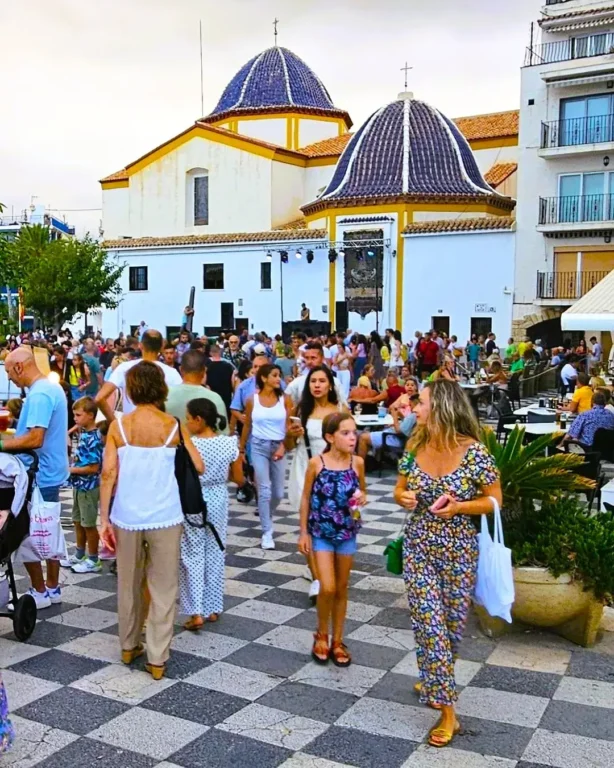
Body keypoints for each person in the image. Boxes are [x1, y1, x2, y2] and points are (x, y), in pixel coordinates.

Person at [394, 380, 501, 747]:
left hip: (460, 549)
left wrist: (460, 507)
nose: (414, 408)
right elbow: (399, 488)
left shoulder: (474, 453)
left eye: (419, 402)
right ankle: (448, 712)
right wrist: (404, 497)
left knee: (451, 629)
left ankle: (434, 676)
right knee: (431, 626)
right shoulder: (414, 446)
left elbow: (494, 501)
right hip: (420, 545)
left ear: (439, 407)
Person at [99, 362, 204, 680]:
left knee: (128, 583)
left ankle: (129, 645)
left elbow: (108, 474)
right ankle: (157, 658)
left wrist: (103, 518)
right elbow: (198, 466)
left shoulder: (118, 426)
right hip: (166, 515)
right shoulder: (173, 425)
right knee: (163, 586)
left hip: (127, 514)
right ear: (161, 388)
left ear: (130, 389)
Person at [2, 347, 69, 609]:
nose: (9, 378)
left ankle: (40, 590)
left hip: (39, 473)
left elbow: (35, 438)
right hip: (49, 471)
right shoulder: (49, 390)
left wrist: (2, 445)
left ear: (19, 367)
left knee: (26, 531)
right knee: (48, 527)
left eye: (8, 371)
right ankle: (52, 588)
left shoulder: (40, 394)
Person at [298, 413, 366, 667]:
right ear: (329, 437)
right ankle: (321, 633)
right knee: (326, 586)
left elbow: (363, 490)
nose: (352, 437)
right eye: (345, 433)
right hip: (321, 534)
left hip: (347, 532)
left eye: (354, 432)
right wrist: (303, 531)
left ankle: (338, 639)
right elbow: (306, 498)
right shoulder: (317, 463)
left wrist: (362, 498)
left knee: (341, 587)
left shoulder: (356, 463)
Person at [180, 399, 243, 630]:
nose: (186, 422)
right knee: (216, 549)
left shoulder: (189, 445)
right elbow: (238, 478)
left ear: (198, 419)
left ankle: (195, 610)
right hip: (218, 497)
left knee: (192, 552)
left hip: (193, 498)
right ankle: (213, 607)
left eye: (188, 418)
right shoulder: (229, 444)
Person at [287, 366, 344, 603]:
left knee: (330, 528)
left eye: (321, 381)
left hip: (333, 475)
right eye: (313, 381)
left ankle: (329, 574)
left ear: (330, 384)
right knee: (309, 527)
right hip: (305, 469)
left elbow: (350, 443)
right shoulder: (301, 410)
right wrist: (292, 434)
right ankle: (317, 578)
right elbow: (290, 445)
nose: (317, 385)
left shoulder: (340, 411)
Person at [240, 364, 292, 550]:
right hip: (259, 445)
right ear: (263, 378)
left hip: (278, 446)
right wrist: (241, 449)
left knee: (278, 492)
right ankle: (267, 531)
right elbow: (247, 425)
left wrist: (284, 445)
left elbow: (289, 426)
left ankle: (266, 514)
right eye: (275, 375)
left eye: (279, 375)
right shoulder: (252, 400)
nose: (279, 379)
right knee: (264, 489)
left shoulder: (285, 399)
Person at [95, 330, 182, 422]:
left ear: (140, 345)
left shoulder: (125, 368)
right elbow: (181, 402)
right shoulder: (172, 373)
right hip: (160, 428)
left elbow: (100, 398)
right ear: (162, 347)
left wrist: (114, 423)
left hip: (130, 428)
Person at [62, 397, 103, 573]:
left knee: (89, 523)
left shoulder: (93, 438)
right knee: (78, 521)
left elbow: (93, 468)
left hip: (89, 486)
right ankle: (79, 554)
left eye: (78, 415)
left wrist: (70, 470)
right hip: (79, 486)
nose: (75, 418)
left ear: (91, 415)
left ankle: (93, 558)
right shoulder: (84, 434)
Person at [166, 350, 228, 430]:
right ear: (204, 370)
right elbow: (222, 432)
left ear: (181, 369)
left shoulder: (165, 396)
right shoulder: (215, 398)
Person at [358, 391, 417, 459]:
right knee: (371, 432)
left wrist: (394, 416)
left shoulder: (413, 415)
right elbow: (406, 425)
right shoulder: (416, 415)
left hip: (393, 438)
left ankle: (360, 466)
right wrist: (400, 416)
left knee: (363, 437)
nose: (410, 407)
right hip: (393, 435)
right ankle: (372, 460)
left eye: (411, 405)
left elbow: (398, 431)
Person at [286, 342, 346, 407]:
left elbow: (342, 406)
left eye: (313, 358)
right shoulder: (296, 384)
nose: (309, 362)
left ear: (322, 358)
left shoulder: (335, 382)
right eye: (307, 358)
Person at [204, 344, 235, 414]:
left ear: (210, 353)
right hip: (226, 399)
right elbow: (233, 381)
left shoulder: (205, 366)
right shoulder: (228, 365)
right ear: (220, 352)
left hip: (211, 399)